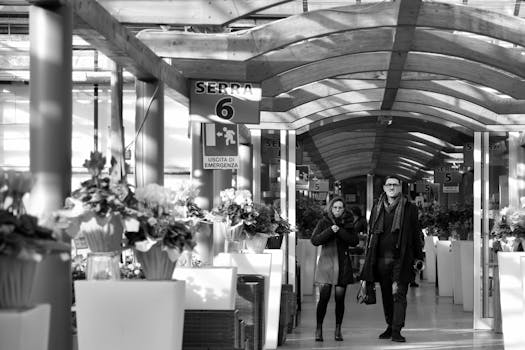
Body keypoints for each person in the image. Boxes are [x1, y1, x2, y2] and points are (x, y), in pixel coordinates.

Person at [360, 176, 424, 343]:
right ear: (384, 187)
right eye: (389, 184)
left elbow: (416, 234)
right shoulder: (377, 206)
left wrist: (419, 256)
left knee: (399, 294)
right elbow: (371, 234)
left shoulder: (410, 208)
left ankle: (397, 329)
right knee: (387, 295)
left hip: (401, 259)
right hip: (380, 259)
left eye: (395, 185)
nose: (391, 187)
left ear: (400, 187)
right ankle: (389, 325)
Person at [311, 196, 359, 342]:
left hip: (343, 265)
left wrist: (340, 231)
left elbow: (354, 241)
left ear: (344, 209)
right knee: (324, 298)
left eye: (340, 208)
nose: (337, 210)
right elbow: (315, 240)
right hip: (326, 264)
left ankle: (338, 330)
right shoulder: (323, 222)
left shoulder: (349, 223)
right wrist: (330, 231)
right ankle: (318, 329)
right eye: (335, 207)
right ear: (331, 208)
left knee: (340, 300)